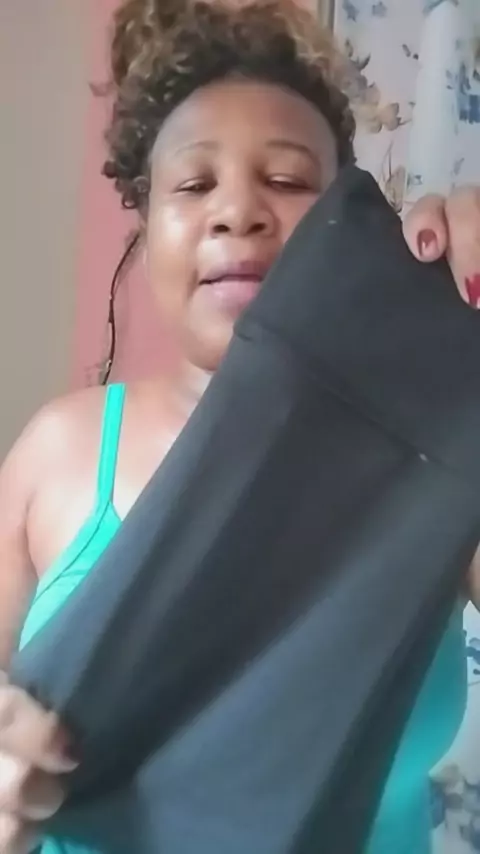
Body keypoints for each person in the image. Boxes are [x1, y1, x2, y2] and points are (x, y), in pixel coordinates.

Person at [1, 1, 480, 852]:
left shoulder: (433, 450)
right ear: (145, 226)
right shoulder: (56, 452)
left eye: (289, 182)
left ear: (347, 231)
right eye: (193, 186)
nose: (238, 212)